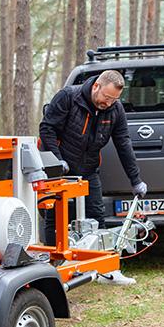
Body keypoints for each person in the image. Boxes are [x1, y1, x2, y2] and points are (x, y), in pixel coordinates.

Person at [39, 69, 147, 251]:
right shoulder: (68, 97)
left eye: (114, 99)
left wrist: (135, 180)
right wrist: (58, 161)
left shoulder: (115, 110)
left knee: (97, 216)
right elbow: (47, 129)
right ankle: (54, 262)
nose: (109, 103)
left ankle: (98, 262)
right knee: (56, 218)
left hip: (89, 171)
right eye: (107, 97)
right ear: (96, 86)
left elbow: (123, 143)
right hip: (61, 171)